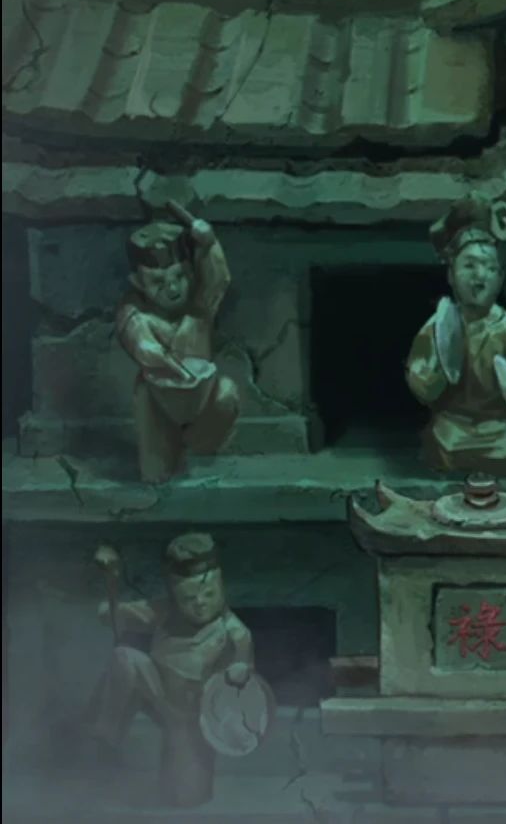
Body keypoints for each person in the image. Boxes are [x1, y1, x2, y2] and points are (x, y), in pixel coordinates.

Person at [87, 534, 255, 805]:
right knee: (125, 658)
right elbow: (111, 616)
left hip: (196, 715)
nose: (200, 603)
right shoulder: (166, 612)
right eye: (189, 598)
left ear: (221, 587)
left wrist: (238, 670)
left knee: (185, 798)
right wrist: (112, 579)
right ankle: (107, 739)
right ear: (176, 596)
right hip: (159, 694)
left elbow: (244, 676)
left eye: (209, 594)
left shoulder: (234, 633)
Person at [406, 193, 506, 476]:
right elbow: (417, 370)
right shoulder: (440, 325)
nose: (480, 277)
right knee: (444, 443)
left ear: (500, 278)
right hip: (455, 424)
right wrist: (431, 377)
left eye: (490, 268)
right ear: (451, 274)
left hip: (501, 425)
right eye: (469, 265)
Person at [117, 202, 239, 482]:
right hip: (157, 402)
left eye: (179, 276)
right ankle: (165, 451)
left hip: (202, 399)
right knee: (156, 476)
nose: (172, 288)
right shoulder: (135, 313)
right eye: (158, 282)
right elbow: (139, 342)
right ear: (138, 282)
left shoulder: (199, 305)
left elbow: (218, 279)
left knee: (226, 394)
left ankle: (195, 446)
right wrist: (166, 361)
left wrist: (209, 245)